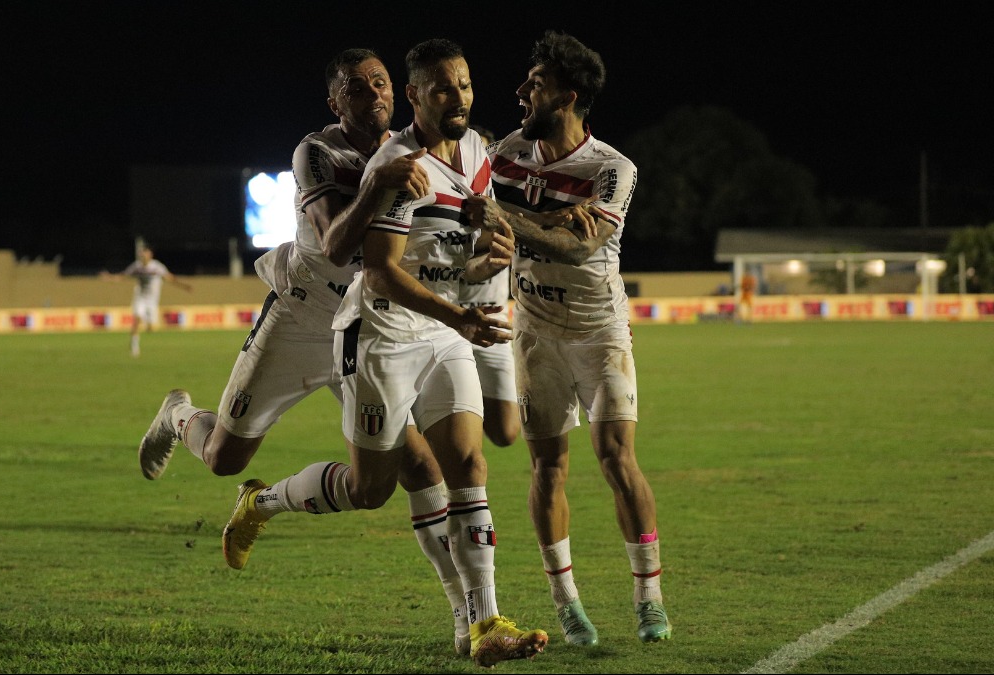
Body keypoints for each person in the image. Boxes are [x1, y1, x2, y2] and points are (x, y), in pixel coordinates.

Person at [135, 48, 478, 657]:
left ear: (397, 92)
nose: (372, 94)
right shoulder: (317, 152)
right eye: (355, 88)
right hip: (301, 314)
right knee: (223, 458)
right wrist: (376, 183)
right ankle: (179, 416)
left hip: (367, 326)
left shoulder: (418, 148)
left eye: (379, 83)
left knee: (420, 469)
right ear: (334, 102)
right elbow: (337, 245)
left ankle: (468, 619)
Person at [220, 39, 547, 668]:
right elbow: (378, 273)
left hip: (443, 332)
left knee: (468, 467)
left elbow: (451, 252)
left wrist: (489, 253)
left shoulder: (477, 149)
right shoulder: (400, 165)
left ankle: (484, 625)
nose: (459, 98)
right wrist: (460, 313)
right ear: (417, 97)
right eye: (444, 88)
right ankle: (262, 502)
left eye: (466, 84)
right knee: (370, 491)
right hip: (379, 338)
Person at [465, 31, 673, 646]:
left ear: (569, 96)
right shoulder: (505, 153)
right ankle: (567, 604)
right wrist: (541, 219)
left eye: (536, 82)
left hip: (597, 330)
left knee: (616, 458)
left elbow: (578, 244)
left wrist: (511, 219)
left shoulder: (612, 169)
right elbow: (475, 227)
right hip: (532, 331)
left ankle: (648, 598)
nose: (521, 91)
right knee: (547, 466)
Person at [455, 125, 520, 448]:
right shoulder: (446, 198)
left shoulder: (499, 198)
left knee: (505, 432)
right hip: (446, 321)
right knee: (456, 441)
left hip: (492, 323)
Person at [100, 245, 191, 357]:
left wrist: (184, 286)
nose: (143, 255)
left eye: (145, 253)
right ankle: (134, 346)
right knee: (137, 319)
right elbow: (123, 276)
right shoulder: (137, 267)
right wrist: (109, 277)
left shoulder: (157, 267)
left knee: (151, 328)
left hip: (152, 300)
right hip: (140, 297)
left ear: (150, 255)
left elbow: (169, 278)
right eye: (142, 253)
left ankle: (148, 325)